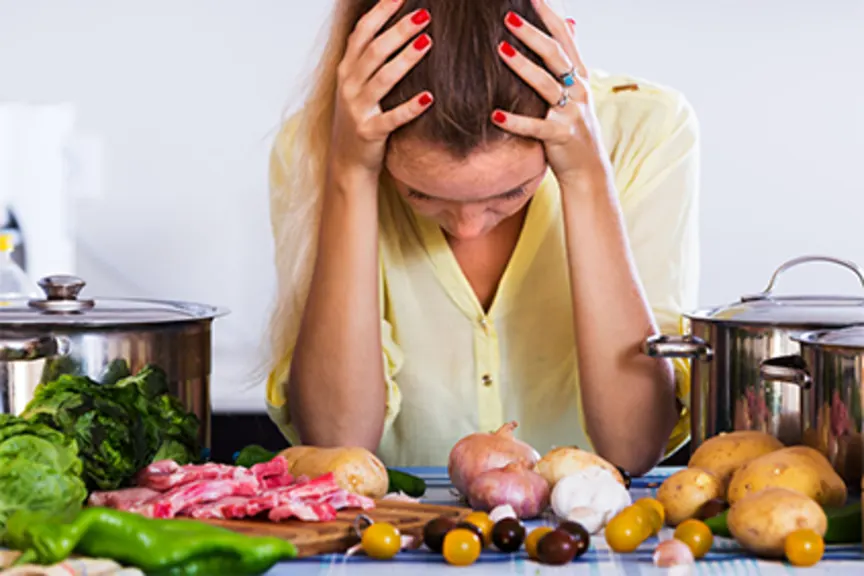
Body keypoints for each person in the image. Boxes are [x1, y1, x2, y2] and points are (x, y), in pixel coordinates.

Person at [265, 0, 699, 475]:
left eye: (511, 192)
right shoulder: (314, 148)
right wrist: (350, 173)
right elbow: (336, 445)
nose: (468, 227)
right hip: (394, 536)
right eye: (421, 195)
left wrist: (587, 177)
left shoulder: (646, 130)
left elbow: (633, 446)